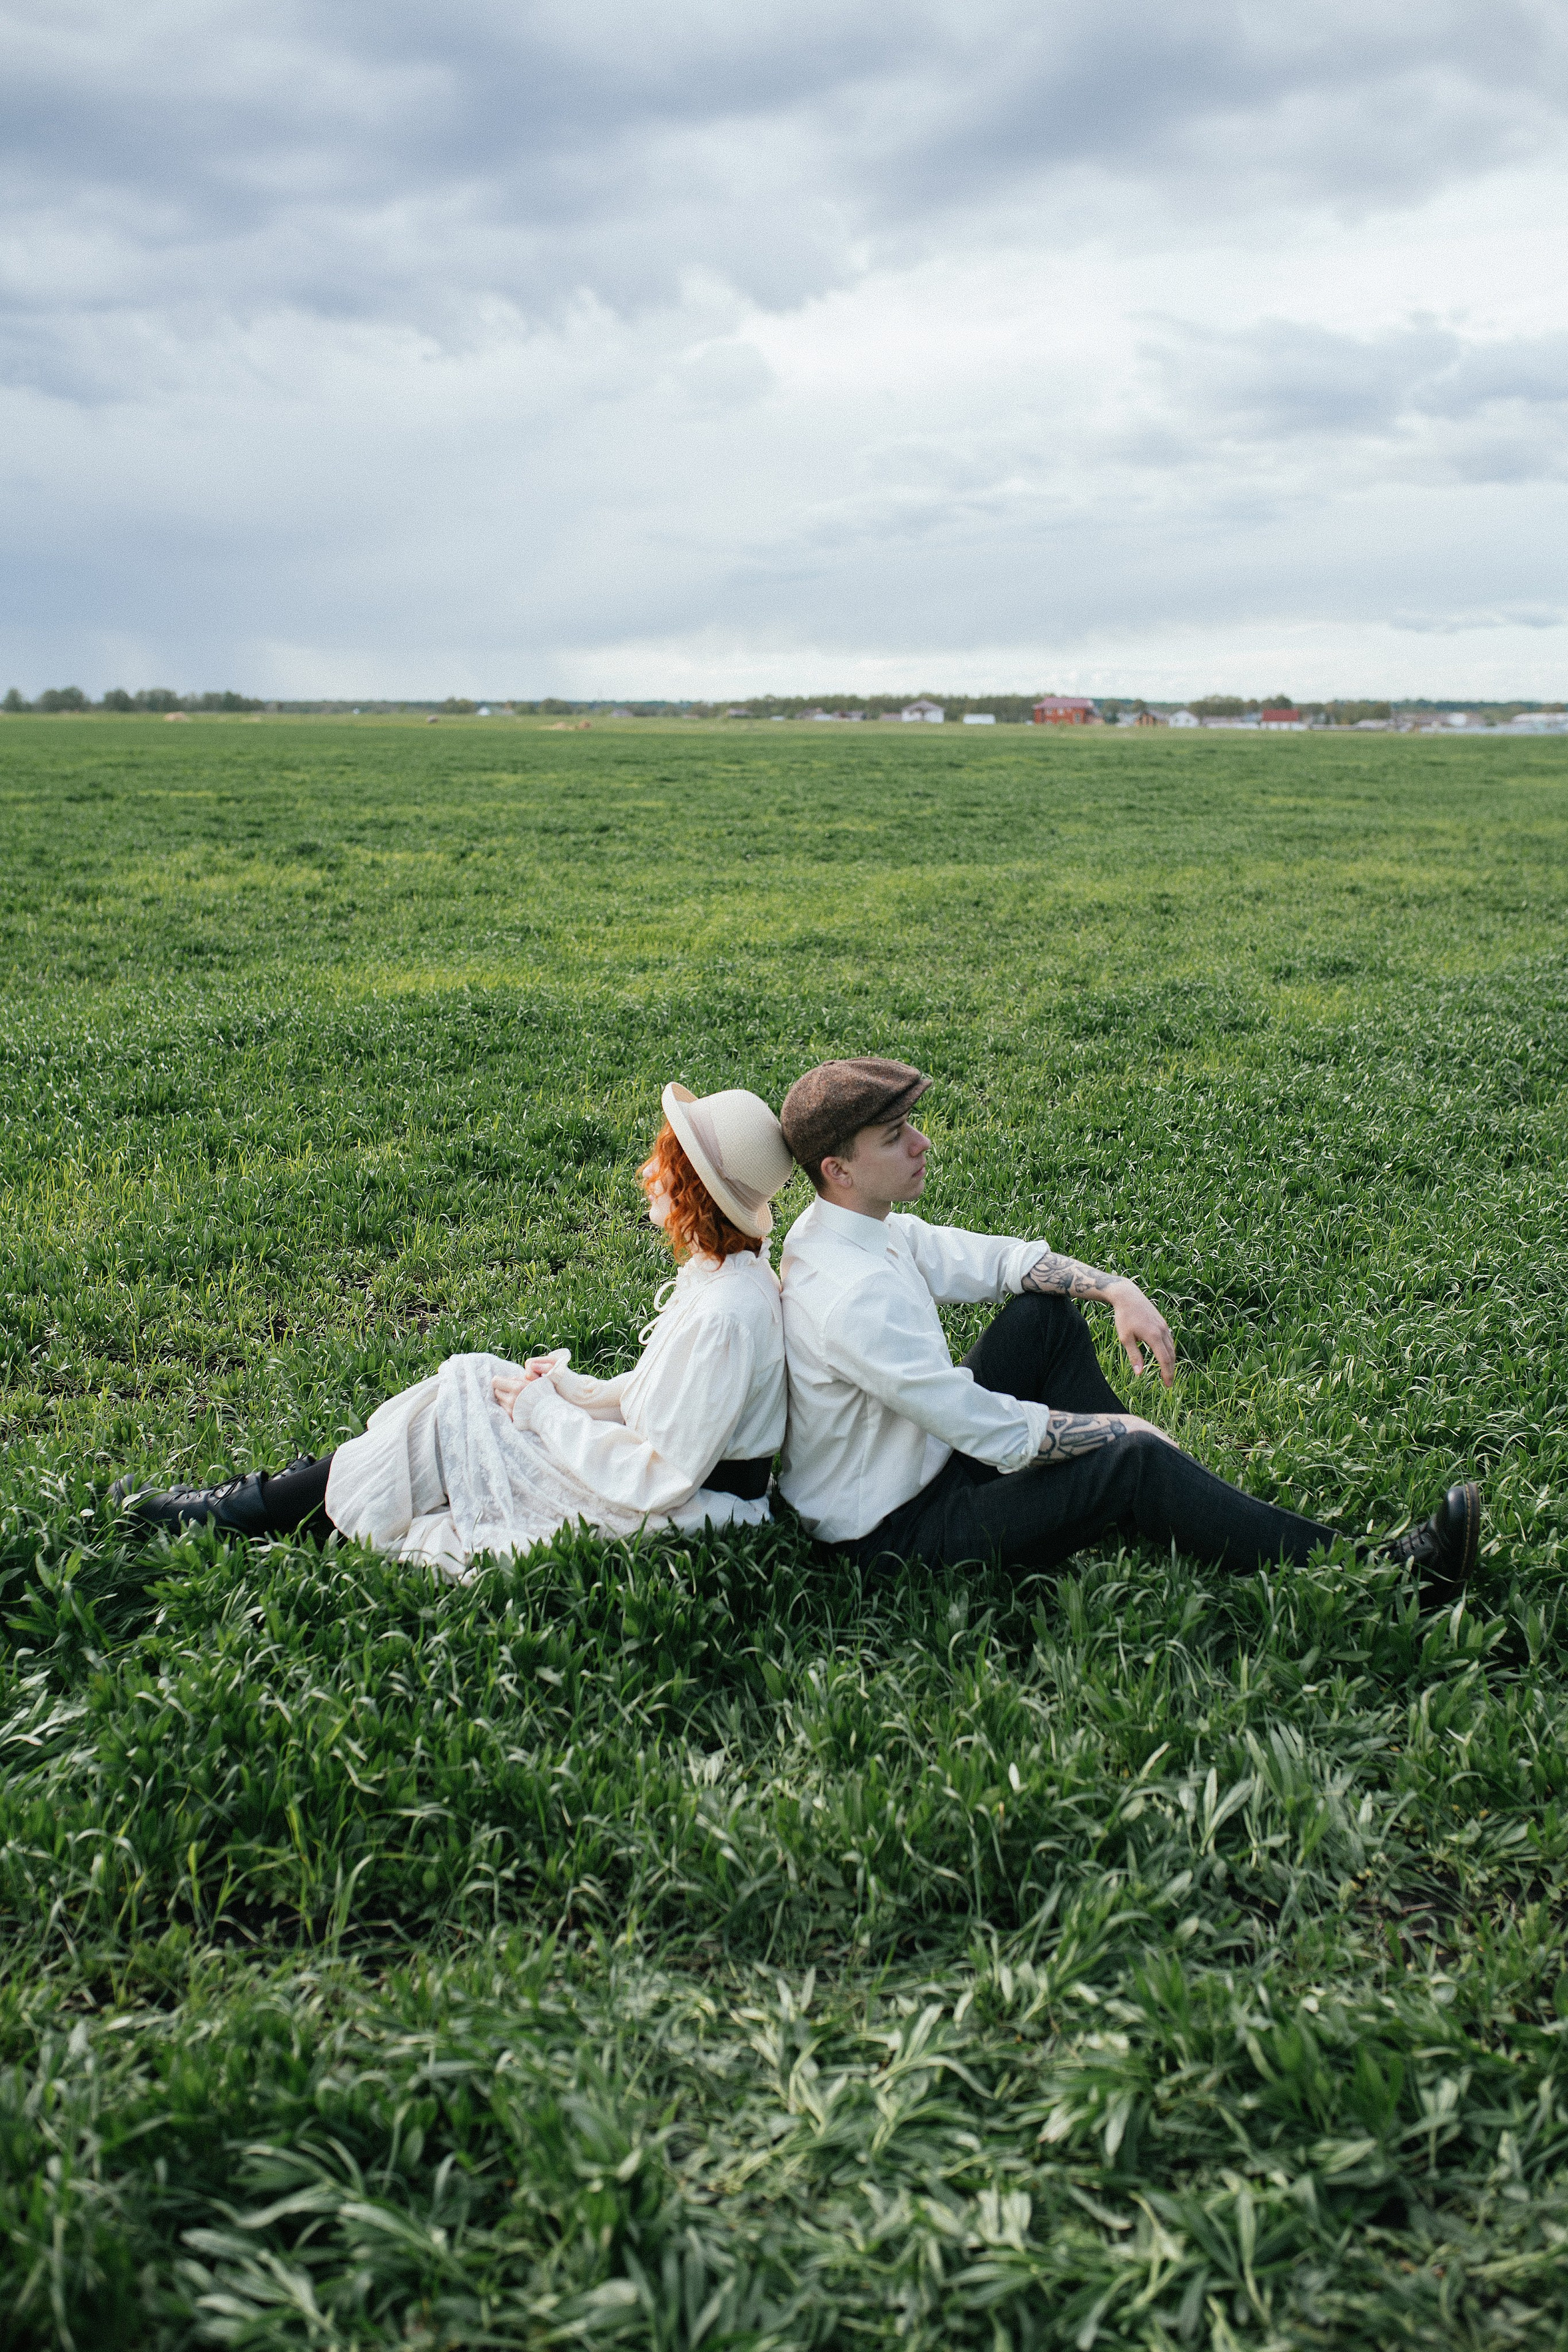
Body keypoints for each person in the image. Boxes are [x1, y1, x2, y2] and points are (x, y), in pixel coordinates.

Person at [775, 1057, 1480, 1599]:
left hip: (923, 1457)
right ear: (837, 1168)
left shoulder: (849, 1225)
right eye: (896, 1138)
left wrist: (1115, 1288)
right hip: (895, 1535)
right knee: (1128, 1458)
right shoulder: (850, 1295)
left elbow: (988, 1261)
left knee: (1042, 1317)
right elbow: (983, 1428)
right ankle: (1384, 1576)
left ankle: (1159, 1495)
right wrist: (1120, 1433)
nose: (922, 1144)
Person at [113, 1083, 796, 1577]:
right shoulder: (723, 1274)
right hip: (666, 1484)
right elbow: (663, 1401)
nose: (650, 1174)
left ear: (695, 1191)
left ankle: (250, 1508)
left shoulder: (726, 1314)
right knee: (471, 1384)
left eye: (667, 1165)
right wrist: (571, 1391)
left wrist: (545, 1415)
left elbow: (664, 1475)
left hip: (682, 1514)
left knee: (463, 1405)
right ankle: (283, 1496)